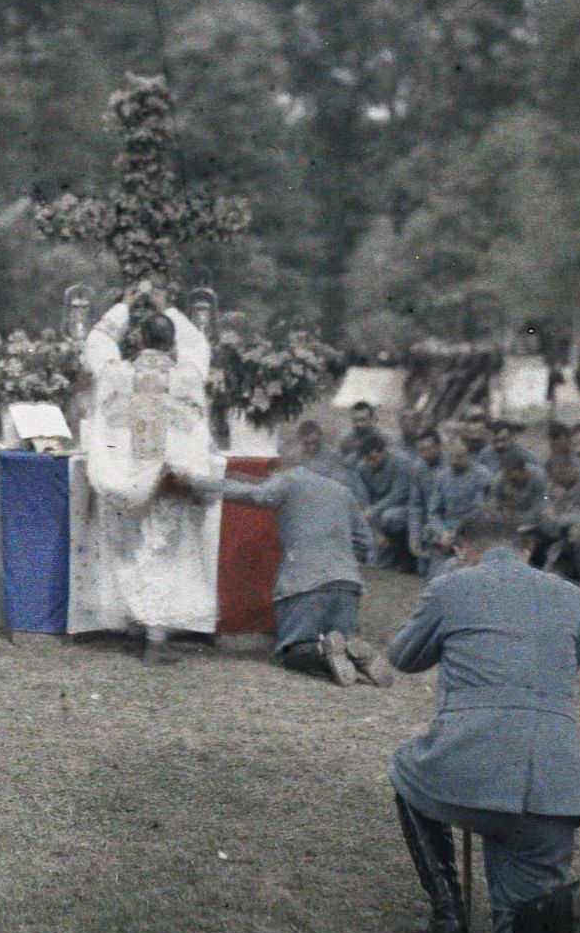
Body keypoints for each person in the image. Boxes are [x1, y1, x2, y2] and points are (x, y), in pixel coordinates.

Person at [386, 508, 580, 933]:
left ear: (463, 550)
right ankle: (563, 908)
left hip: (471, 764)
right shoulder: (569, 596)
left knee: (406, 767)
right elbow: (570, 664)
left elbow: (402, 656)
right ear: (524, 549)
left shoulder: (452, 586)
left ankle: (448, 916)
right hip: (557, 780)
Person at [74, 288, 222, 663]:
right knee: (163, 554)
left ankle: (134, 629)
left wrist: (124, 304)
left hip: (127, 479)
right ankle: (155, 639)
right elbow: (198, 343)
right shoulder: (187, 374)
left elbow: (97, 342)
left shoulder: (117, 374)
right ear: (171, 341)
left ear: (139, 339)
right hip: (167, 480)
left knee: (127, 548)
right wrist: (167, 306)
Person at [176, 436, 385, 684]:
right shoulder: (342, 491)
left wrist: (195, 482)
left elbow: (253, 494)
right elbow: (366, 544)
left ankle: (321, 651)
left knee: (292, 651)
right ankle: (349, 647)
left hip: (304, 584)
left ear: (281, 463)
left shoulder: (289, 479)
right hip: (348, 586)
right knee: (342, 636)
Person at [528, 451, 580, 597]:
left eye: (558, 477)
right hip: (561, 536)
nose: (555, 482)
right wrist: (547, 506)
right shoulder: (554, 484)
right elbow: (546, 497)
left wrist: (560, 518)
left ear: (569, 470)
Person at [413, 431, 491, 577]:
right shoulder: (442, 476)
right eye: (451, 456)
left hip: (471, 533)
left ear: (470, 455)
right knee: (432, 575)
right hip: (445, 535)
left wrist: (454, 534)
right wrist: (442, 532)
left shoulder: (482, 475)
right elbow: (434, 512)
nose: (454, 461)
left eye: (459, 457)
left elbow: (479, 511)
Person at [355, 433, 417, 572]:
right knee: (375, 563)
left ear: (384, 451)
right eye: (367, 460)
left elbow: (398, 495)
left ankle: (404, 552)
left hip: (401, 510)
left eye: (374, 458)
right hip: (375, 517)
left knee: (390, 517)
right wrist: (376, 532)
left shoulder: (401, 462)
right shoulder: (362, 468)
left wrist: (372, 513)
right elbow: (363, 500)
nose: (371, 463)